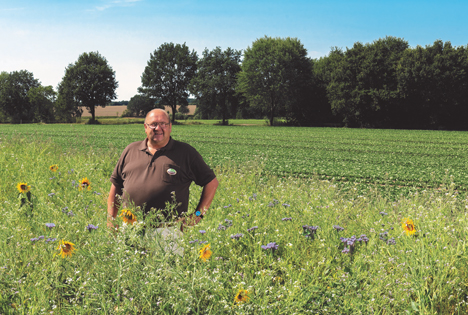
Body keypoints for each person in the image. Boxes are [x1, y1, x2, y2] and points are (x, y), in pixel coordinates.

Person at [107, 108, 219, 232]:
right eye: (153, 124)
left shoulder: (186, 153)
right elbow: (116, 185)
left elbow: (211, 183)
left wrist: (198, 215)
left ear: (170, 127)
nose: (158, 128)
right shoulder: (131, 150)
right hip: (129, 226)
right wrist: (111, 219)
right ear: (145, 127)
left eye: (163, 124)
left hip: (168, 231)